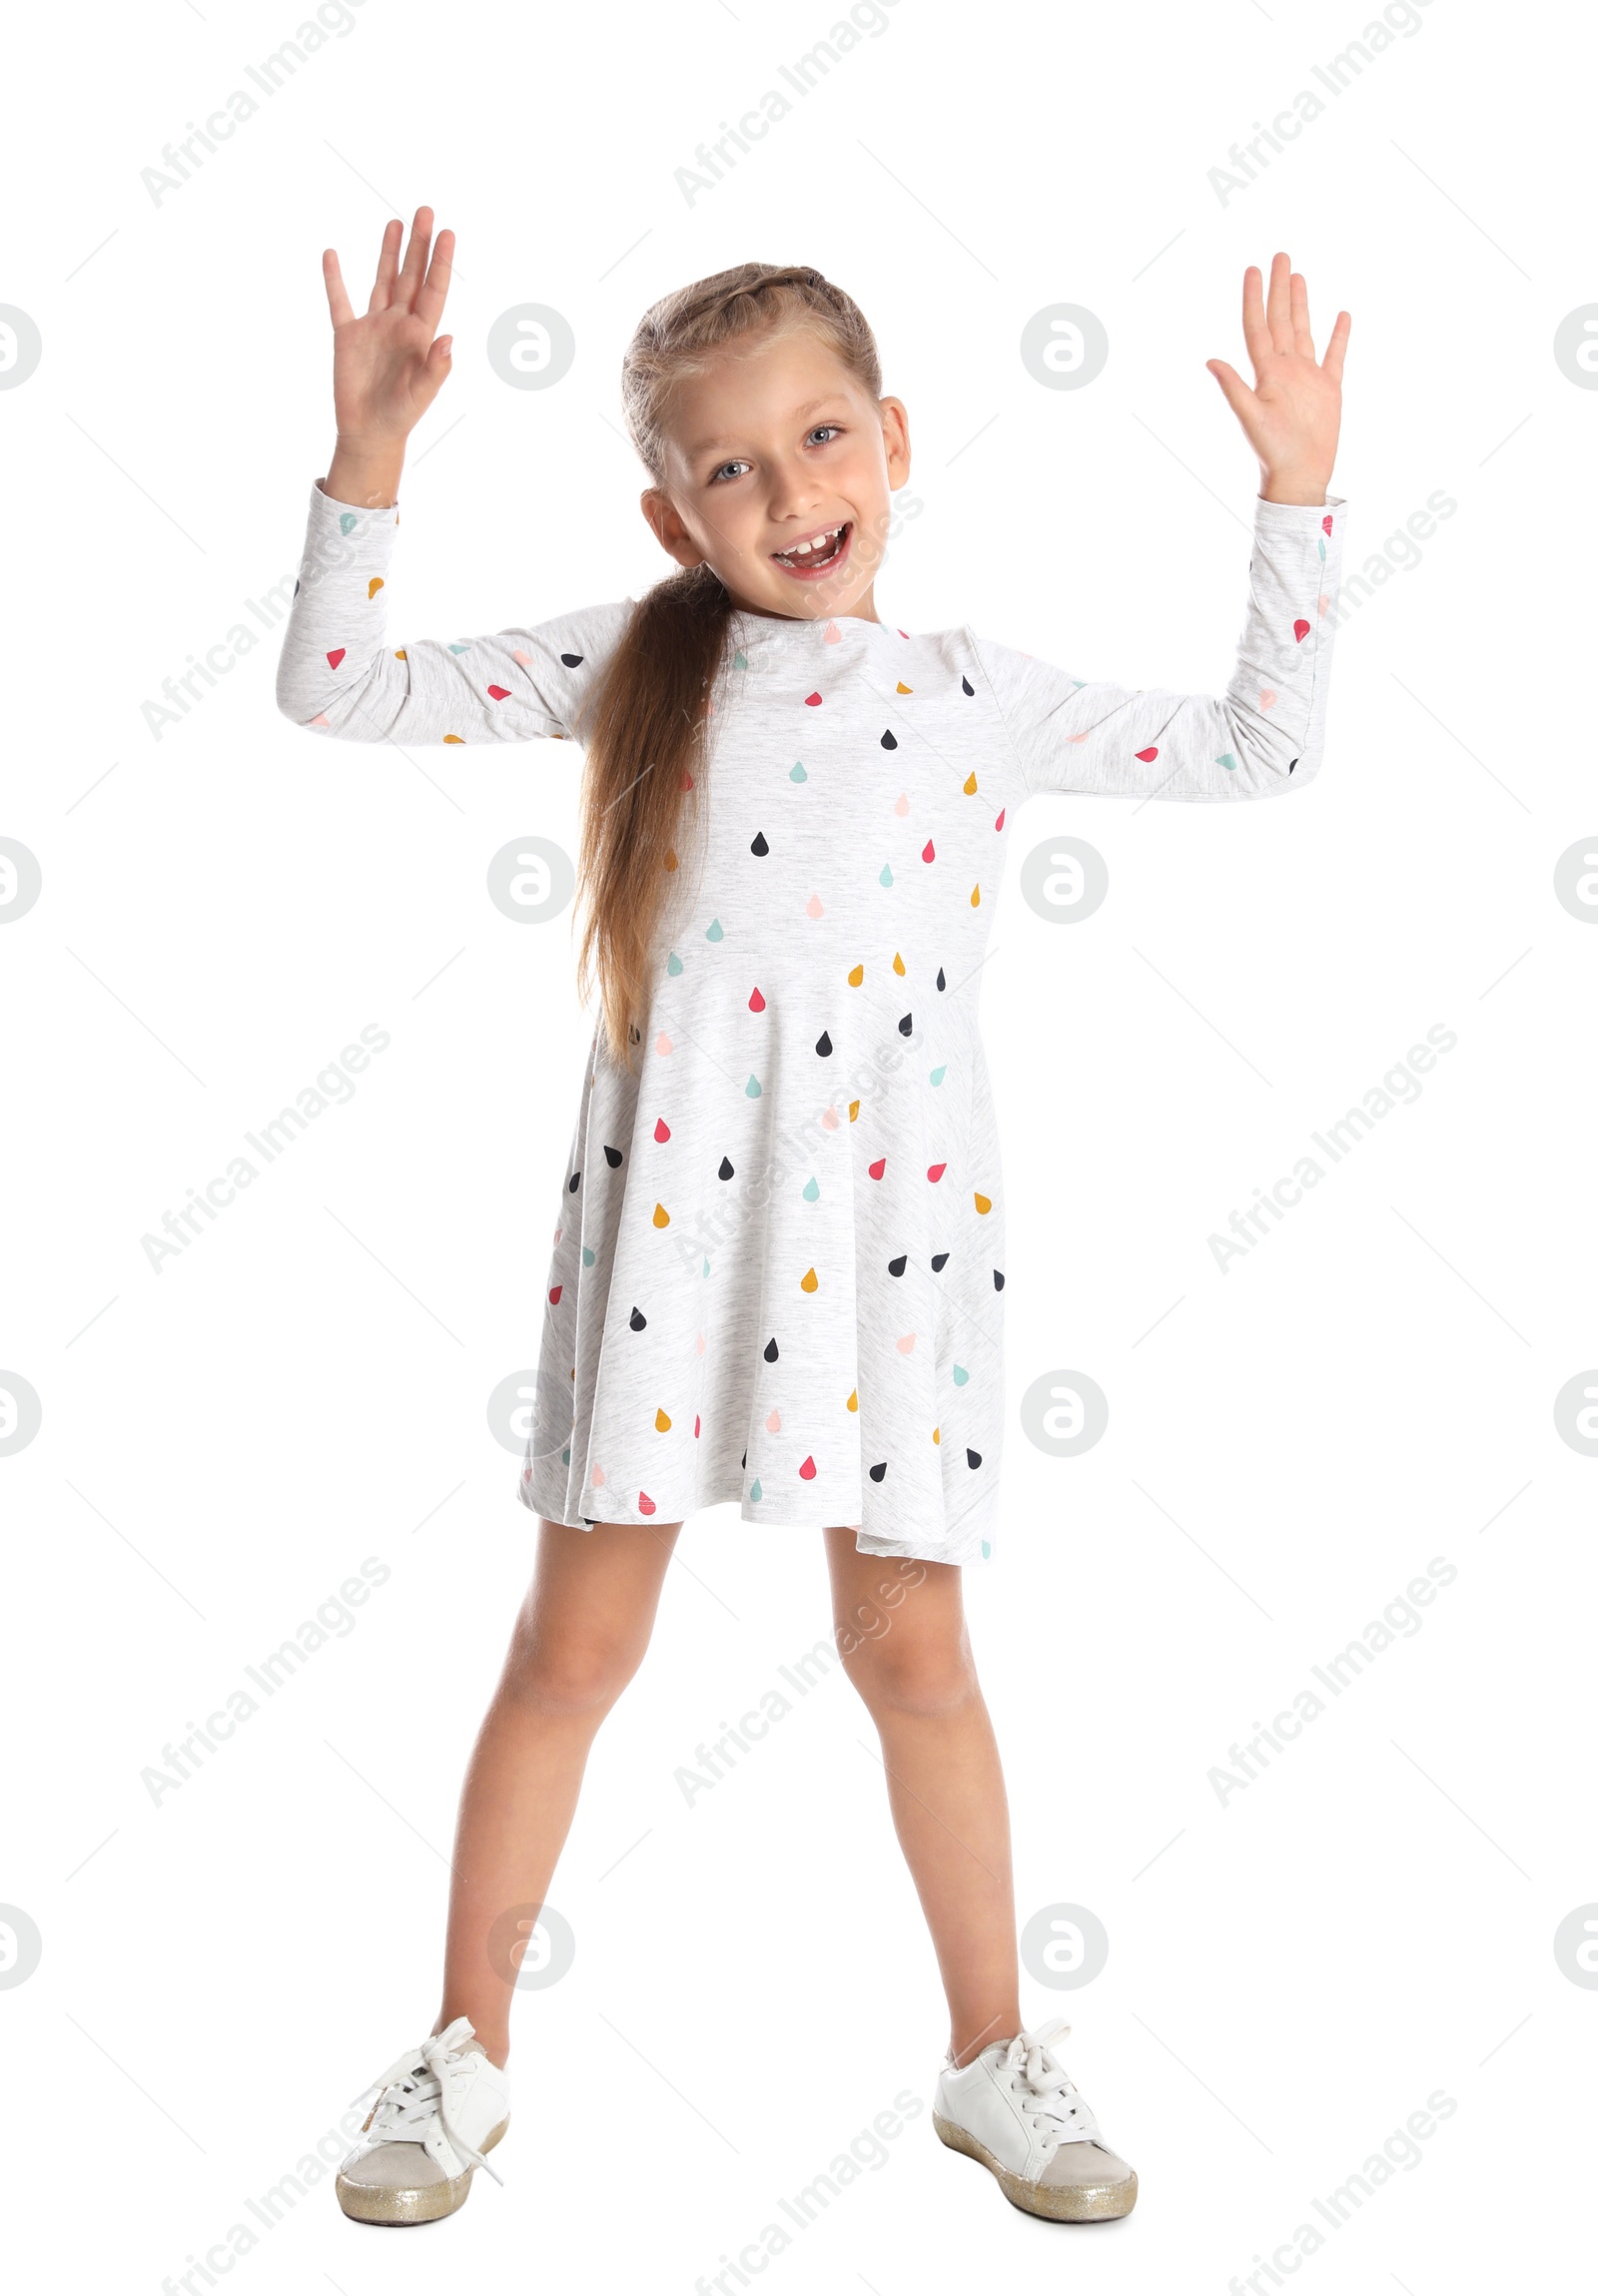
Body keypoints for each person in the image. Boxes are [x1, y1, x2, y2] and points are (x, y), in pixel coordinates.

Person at [275, 209, 1348, 2228]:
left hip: (888, 1247)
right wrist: (372, 453)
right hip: (674, 1241)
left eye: (823, 435)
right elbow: (336, 688)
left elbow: (1257, 746)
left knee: (914, 1657)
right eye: (733, 465)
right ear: (671, 512)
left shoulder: (968, 693)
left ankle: (984, 2057)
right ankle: (461, 2053)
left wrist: (1292, 487)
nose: (791, 490)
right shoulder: (631, 661)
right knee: (571, 1649)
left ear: (895, 438)